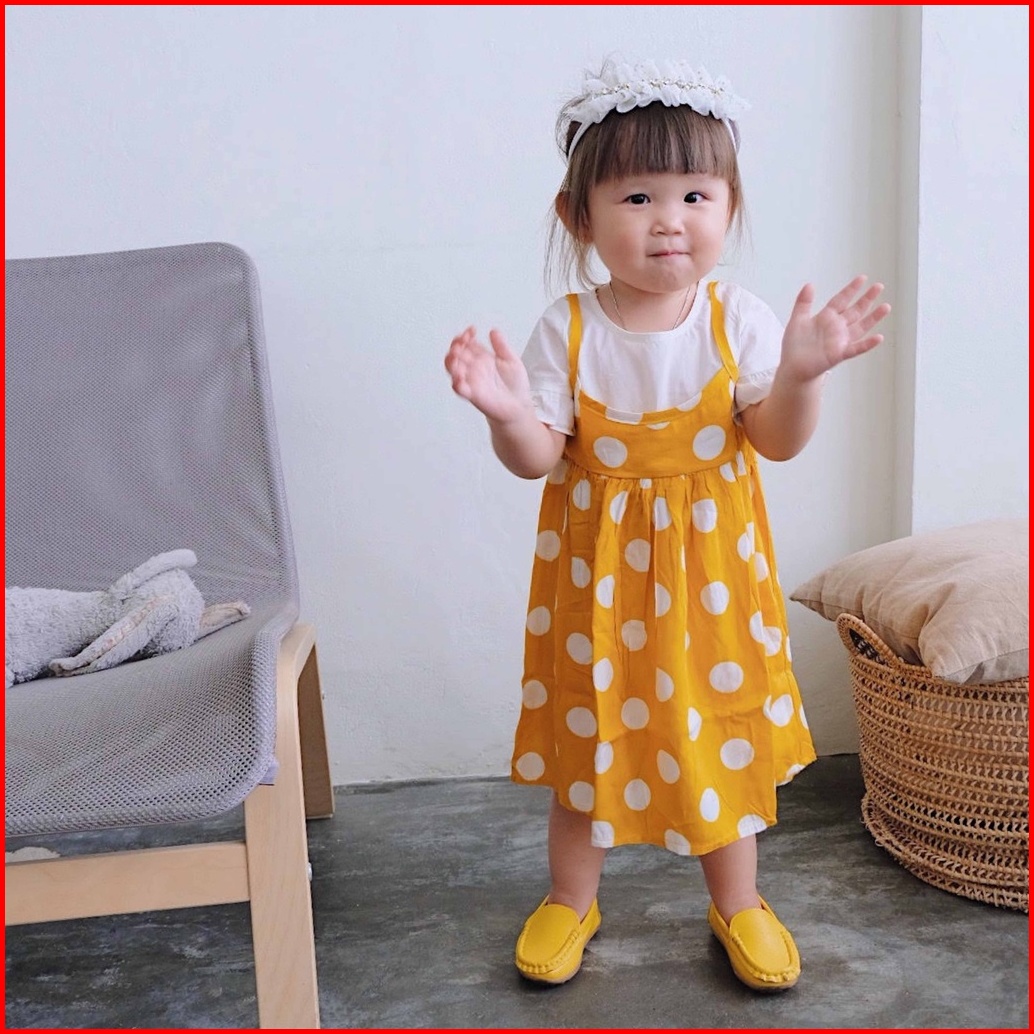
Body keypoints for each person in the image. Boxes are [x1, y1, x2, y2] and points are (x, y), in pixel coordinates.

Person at [444, 57, 890, 992]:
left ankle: (740, 903)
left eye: (695, 194)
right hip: (596, 588)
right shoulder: (569, 329)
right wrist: (506, 413)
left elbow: (775, 441)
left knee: (718, 739)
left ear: (729, 206)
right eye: (637, 196)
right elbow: (537, 457)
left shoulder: (738, 320)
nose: (669, 219)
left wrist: (802, 375)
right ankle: (571, 897)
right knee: (588, 737)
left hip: (710, 585)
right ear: (579, 216)